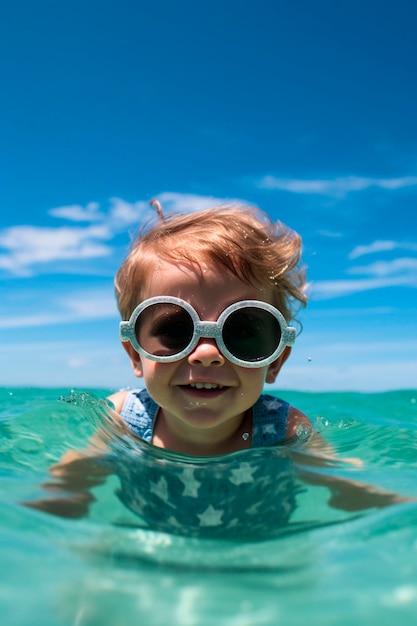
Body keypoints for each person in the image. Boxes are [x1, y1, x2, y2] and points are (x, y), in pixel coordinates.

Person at [24, 202, 408, 536]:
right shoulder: (125, 419)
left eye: (242, 331)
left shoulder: (281, 429)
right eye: (175, 329)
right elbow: (65, 494)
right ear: (136, 354)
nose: (206, 353)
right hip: (146, 552)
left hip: (260, 559)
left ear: (275, 359)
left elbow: (355, 492)